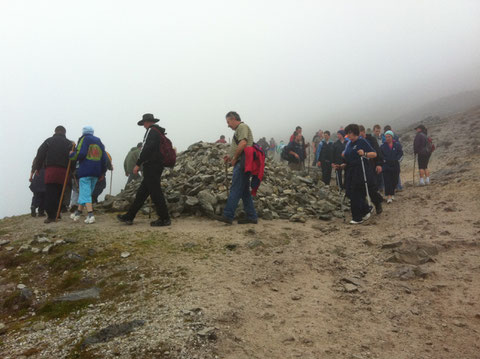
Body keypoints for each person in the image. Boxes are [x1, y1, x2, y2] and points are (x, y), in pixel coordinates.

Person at [117, 113, 171, 226]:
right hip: (156, 165)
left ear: (148, 122)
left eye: (144, 123)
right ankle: (129, 216)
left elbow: (146, 149)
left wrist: (138, 164)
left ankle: (164, 218)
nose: (143, 125)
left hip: (151, 166)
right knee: (141, 193)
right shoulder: (158, 132)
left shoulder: (151, 131)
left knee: (156, 193)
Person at [215, 111, 257, 225]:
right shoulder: (239, 129)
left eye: (228, 122)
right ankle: (252, 216)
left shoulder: (242, 127)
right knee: (244, 192)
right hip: (243, 161)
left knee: (235, 188)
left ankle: (228, 215)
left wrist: (234, 159)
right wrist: (230, 156)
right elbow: (239, 145)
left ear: (234, 119)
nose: (228, 125)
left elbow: (243, 143)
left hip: (241, 162)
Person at [342, 124, 383, 224]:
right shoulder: (349, 144)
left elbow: (374, 154)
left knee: (369, 190)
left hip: (362, 170)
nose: (348, 135)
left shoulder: (362, 141)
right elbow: (347, 156)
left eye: (349, 133)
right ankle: (362, 213)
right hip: (351, 171)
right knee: (353, 192)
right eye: (347, 133)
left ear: (354, 132)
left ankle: (374, 205)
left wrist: (364, 154)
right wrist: (343, 164)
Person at [32, 126, 74, 224]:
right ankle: (58, 213)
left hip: (51, 170)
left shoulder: (48, 141)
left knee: (50, 193)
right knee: (60, 192)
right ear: (64, 133)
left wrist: (37, 168)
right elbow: (73, 158)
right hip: (64, 171)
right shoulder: (69, 144)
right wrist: (72, 170)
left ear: (55, 131)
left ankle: (51, 216)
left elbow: (40, 154)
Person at [69, 126, 107, 224]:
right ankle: (78, 213)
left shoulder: (84, 139)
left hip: (85, 170)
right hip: (96, 171)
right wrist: (103, 172)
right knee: (85, 193)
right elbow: (104, 158)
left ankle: (91, 215)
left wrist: (72, 155)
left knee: (86, 194)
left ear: (83, 132)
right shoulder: (99, 141)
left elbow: (80, 154)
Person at [381, 130, 403, 203]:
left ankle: (392, 193)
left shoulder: (397, 145)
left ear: (392, 137)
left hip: (395, 165)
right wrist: (384, 161)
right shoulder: (382, 146)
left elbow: (401, 153)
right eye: (386, 137)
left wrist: (397, 159)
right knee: (387, 181)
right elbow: (381, 156)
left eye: (389, 136)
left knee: (395, 180)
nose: (387, 138)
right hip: (386, 166)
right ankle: (389, 197)